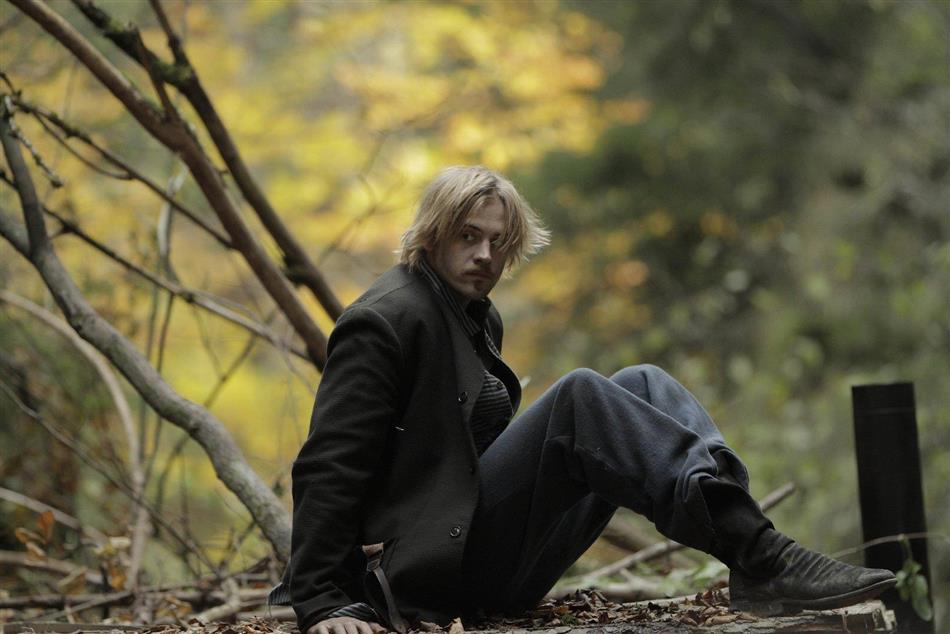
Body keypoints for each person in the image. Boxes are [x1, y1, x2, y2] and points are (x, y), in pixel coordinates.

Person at [270, 166, 896, 634]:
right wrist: (321, 599)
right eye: (468, 236)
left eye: (497, 242)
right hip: (419, 578)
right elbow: (330, 462)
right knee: (580, 398)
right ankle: (762, 556)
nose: (485, 255)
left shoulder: (472, 315)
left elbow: (464, 463)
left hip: (473, 557)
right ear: (432, 234)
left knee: (644, 383)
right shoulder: (385, 320)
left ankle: (755, 553)